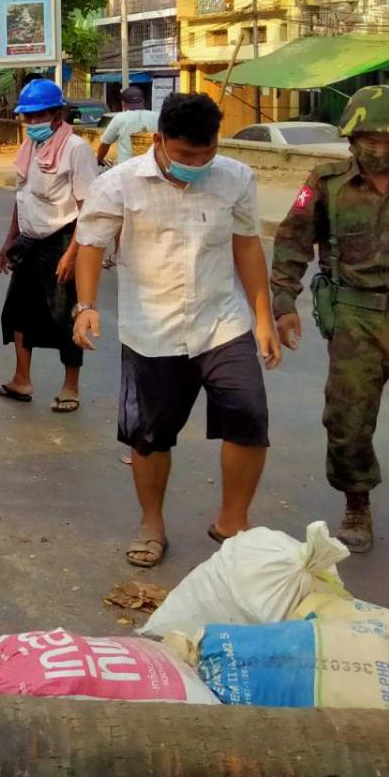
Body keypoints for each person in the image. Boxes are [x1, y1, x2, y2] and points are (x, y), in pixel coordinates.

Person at [73, 92, 280, 568]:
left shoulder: (235, 178)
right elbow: (91, 244)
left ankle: (233, 522)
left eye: (207, 153)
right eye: (187, 155)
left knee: (249, 416)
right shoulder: (119, 184)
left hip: (222, 322)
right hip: (152, 329)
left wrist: (263, 317)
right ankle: (152, 523)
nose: (198, 164)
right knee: (149, 436)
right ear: (160, 140)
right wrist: (85, 306)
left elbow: (247, 247)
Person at [269, 85, 389, 556]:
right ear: (352, 139)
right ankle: (356, 505)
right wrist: (284, 303)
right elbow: (292, 242)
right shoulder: (327, 183)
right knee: (348, 420)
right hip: (355, 318)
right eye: (372, 140)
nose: (383, 149)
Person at [0, 78, 97, 412]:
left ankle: (71, 387)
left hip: (63, 240)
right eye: (29, 116)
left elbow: (87, 209)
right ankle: (21, 379)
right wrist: (9, 239)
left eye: (40, 115)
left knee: (64, 315)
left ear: (57, 114)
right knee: (17, 311)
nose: (33, 122)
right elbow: (21, 197)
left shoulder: (76, 149)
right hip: (29, 240)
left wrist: (72, 254)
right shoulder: (29, 147)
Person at [97, 85, 158, 166]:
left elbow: (105, 144)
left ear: (123, 104)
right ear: (143, 101)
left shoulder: (120, 118)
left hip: (126, 167)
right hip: (151, 166)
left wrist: (98, 160)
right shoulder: (157, 116)